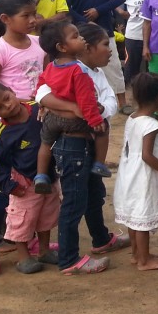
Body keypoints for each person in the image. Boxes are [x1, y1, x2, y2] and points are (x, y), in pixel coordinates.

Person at [46, 20, 130, 274]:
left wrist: (100, 109)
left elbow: (109, 102)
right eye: (105, 45)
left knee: (94, 194)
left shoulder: (95, 72)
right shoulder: (70, 70)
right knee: (74, 201)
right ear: (87, 48)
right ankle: (69, 260)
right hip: (73, 144)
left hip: (88, 143)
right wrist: (74, 108)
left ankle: (101, 239)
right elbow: (41, 93)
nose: (110, 50)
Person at [0, 0, 46, 277]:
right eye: (26, 16)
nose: (33, 20)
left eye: (34, 14)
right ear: (5, 19)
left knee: (32, 184)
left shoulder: (40, 44)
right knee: (1, 187)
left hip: (35, 123)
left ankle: (31, 241)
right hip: (7, 129)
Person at [0, 83, 61, 274]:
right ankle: (23, 258)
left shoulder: (38, 108)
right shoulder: (0, 130)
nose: (7, 106)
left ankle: (44, 250)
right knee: (22, 220)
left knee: (47, 215)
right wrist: (9, 185)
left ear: (11, 92)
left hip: (48, 176)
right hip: (23, 182)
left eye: (6, 98)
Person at [33, 22, 111, 194]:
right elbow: (86, 100)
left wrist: (42, 104)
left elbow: (41, 84)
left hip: (52, 118)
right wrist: (95, 120)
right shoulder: (78, 71)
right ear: (62, 46)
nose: (81, 38)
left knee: (45, 143)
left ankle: (41, 175)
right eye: (75, 36)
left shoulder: (52, 66)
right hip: (74, 121)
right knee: (103, 129)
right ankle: (99, 163)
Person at [114, 73, 158, 271]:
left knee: (134, 217)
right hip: (143, 176)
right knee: (143, 220)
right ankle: (144, 260)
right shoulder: (151, 124)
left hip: (129, 173)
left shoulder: (132, 118)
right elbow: (147, 155)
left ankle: (138, 254)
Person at [60, 0, 128, 111]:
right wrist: (84, 21)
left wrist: (99, 10)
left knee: (113, 66)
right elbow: (67, 7)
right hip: (80, 33)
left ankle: (123, 103)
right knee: (82, 67)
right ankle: (85, 102)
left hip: (105, 30)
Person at [120, 0, 153, 89]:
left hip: (152, 35)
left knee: (151, 66)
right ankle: (130, 91)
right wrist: (121, 12)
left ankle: (149, 90)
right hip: (133, 34)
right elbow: (112, 0)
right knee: (131, 65)